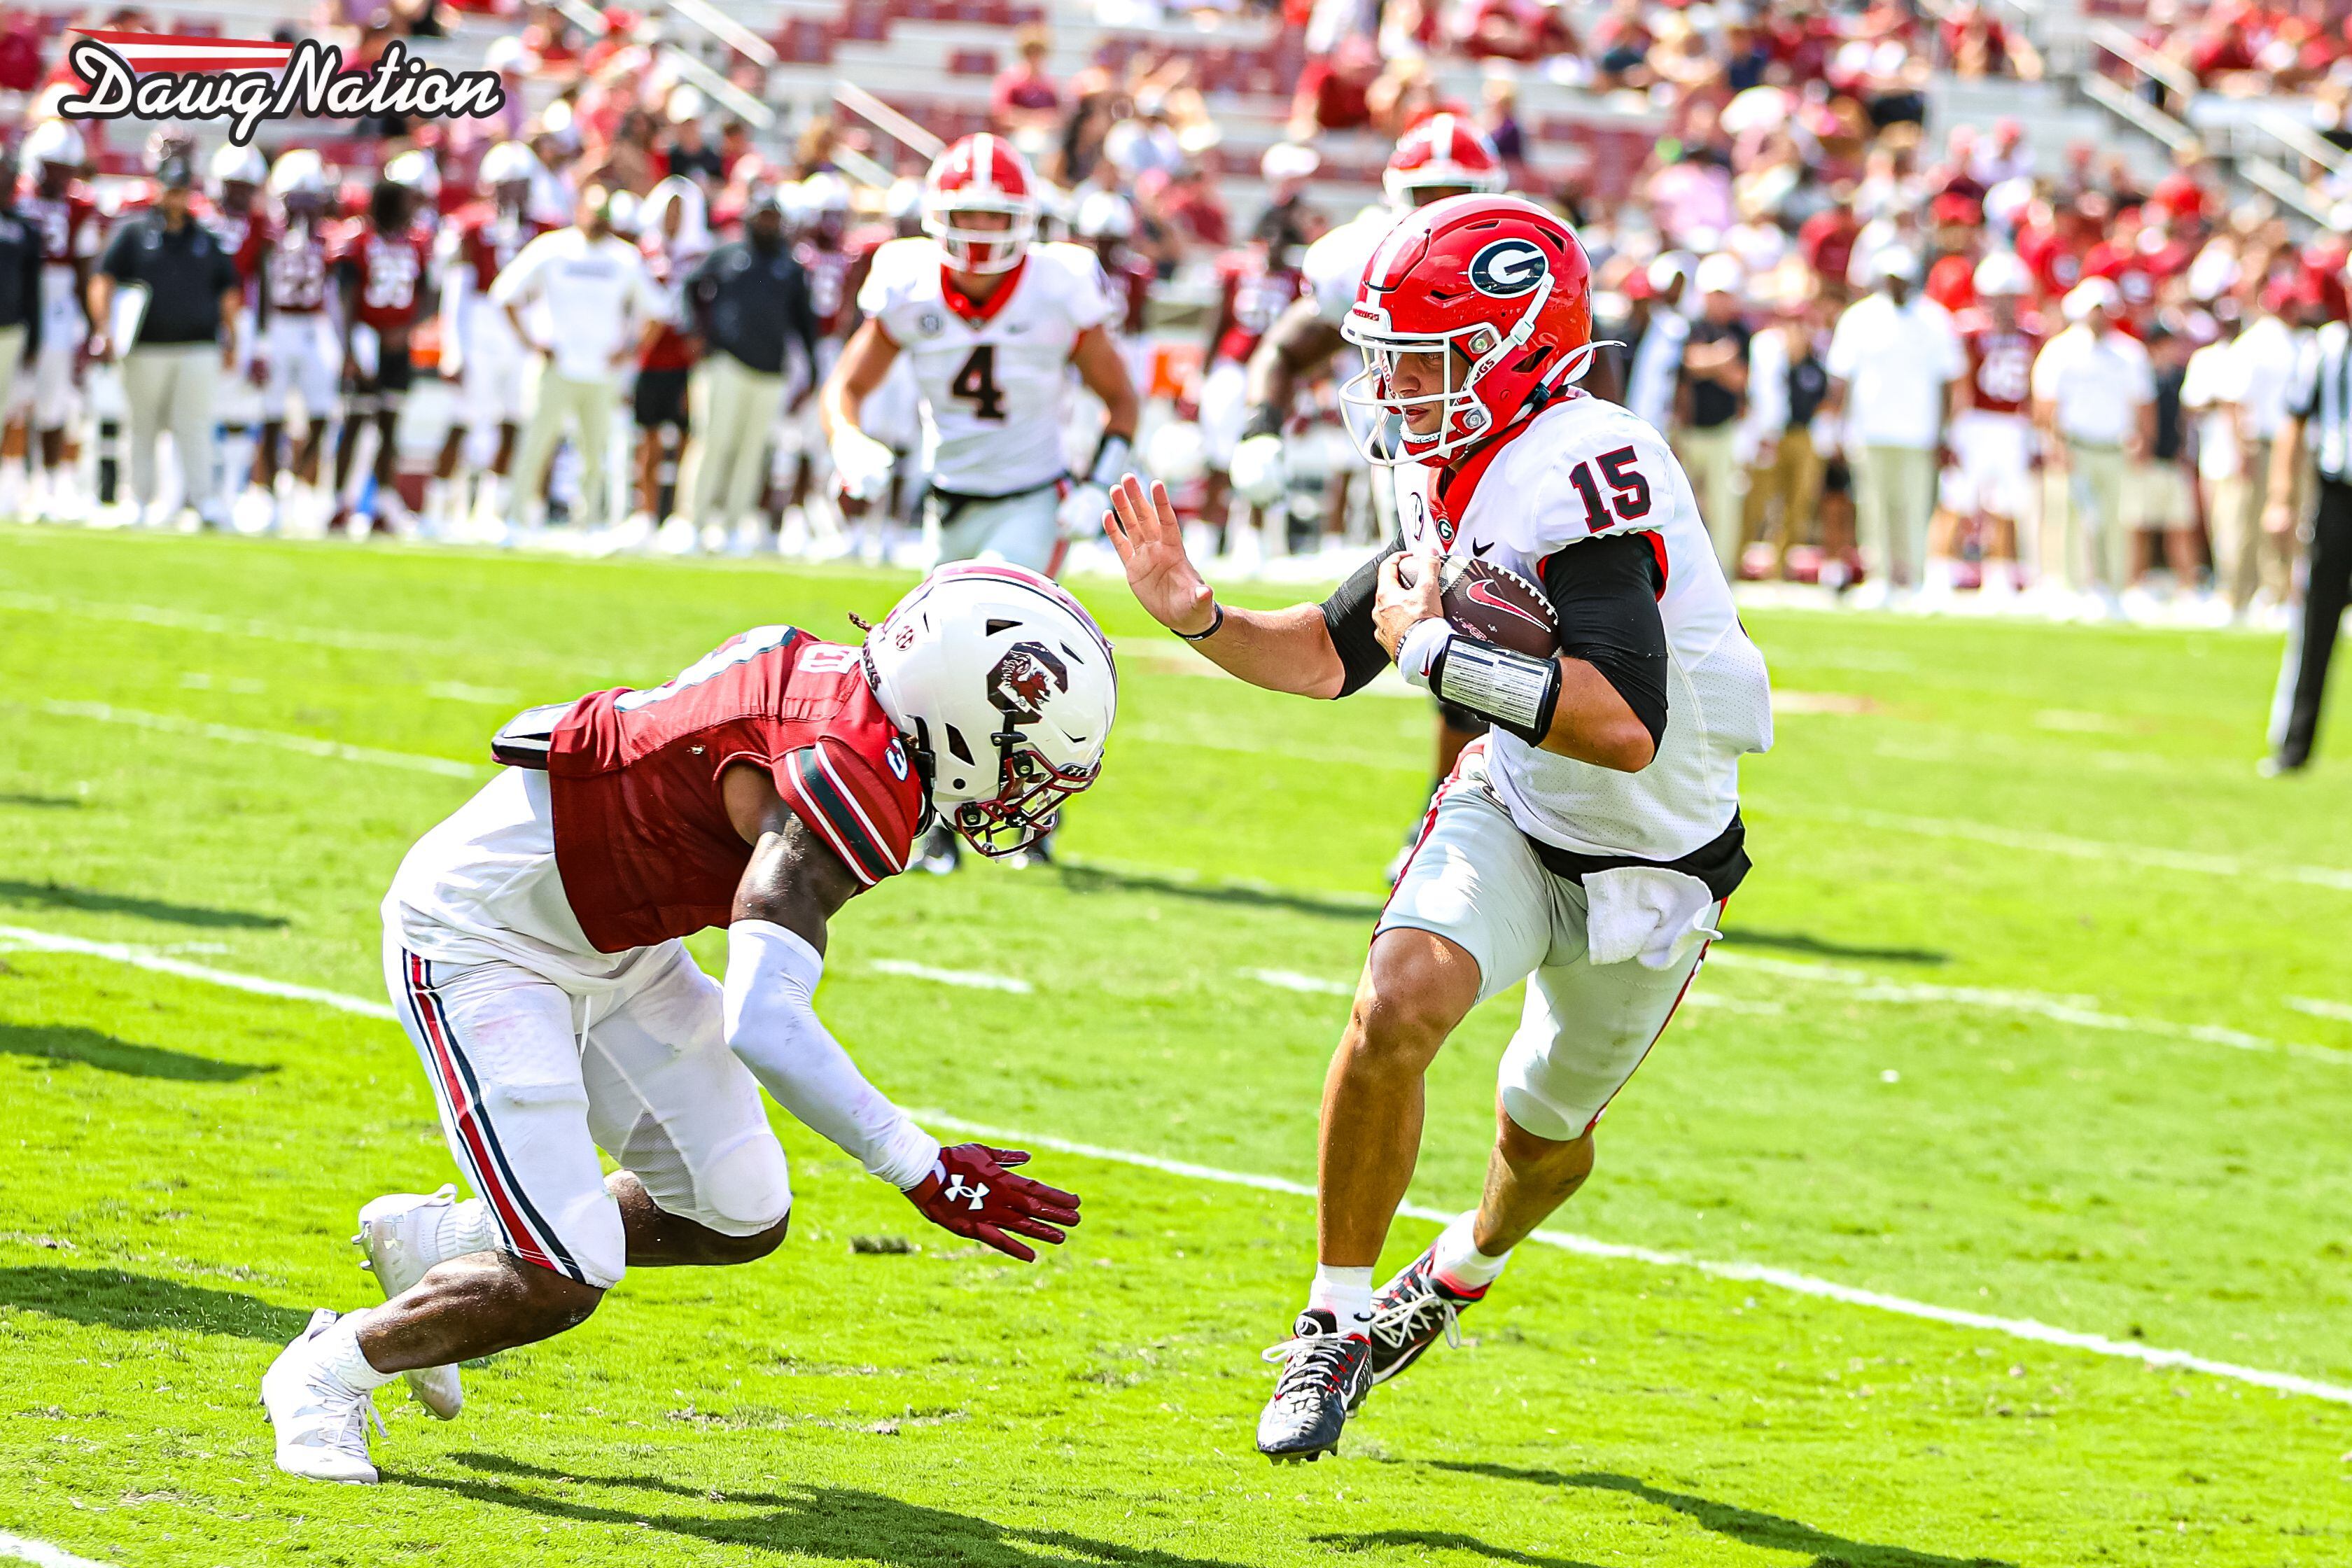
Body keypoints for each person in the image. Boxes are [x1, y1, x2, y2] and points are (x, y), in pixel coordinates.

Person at [1102, 195, 1772, 1463]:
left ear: (1516, 346)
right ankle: (1332, 1321)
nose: (1398, 391)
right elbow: (1331, 653)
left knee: (1544, 1137)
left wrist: (1437, 658)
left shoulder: (1588, 464)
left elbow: (1624, 719)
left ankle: (1456, 1271)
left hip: (1656, 860)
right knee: (1395, 1003)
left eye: (1424, 359)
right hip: (1518, 811)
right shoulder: (1451, 462)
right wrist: (1197, 614)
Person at [262, 564, 1113, 1483]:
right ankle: (324, 1373)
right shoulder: (849, 774)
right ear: (963, 712)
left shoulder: (841, 686)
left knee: (739, 1207)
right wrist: (921, 1166)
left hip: (618, 940)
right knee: (561, 1273)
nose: (1023, 791)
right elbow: (763, 1021)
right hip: (486, 937)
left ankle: (440, 1244)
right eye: (1023, 762)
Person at [823, 134, 1138, 874]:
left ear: (1025, 221)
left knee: (995, 650)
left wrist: (1097, 481)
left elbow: (1121, 397)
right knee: (931, 667)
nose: (982, 234)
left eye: (997, 217)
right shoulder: (907, 282)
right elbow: (847, 387)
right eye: (969, 216)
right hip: (947, 498)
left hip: (1030, 496)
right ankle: (941, 818)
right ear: (937, 218)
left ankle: (1030, 811)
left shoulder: (1058, 285)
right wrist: (848, 443)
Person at [1224, 115, 1508, 881]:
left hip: (1511, 467)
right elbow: (1288, 347)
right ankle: (1455, 814)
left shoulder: (1519, 253)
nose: (1442, 207)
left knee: (1481, 641)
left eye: (1459, 193)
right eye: (1427, 193)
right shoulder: (1362, 258)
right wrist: (1260, 429)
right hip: (1414, 474)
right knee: (1440, 639)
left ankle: (1463, 816)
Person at [492, 186, 667, 539]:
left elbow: (658, 310)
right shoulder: (553, 248)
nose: (598, 221)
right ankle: (516, 518)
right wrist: (531, 342)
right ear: (578, 211)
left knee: (595, 454)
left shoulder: (624, 257)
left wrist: (630, 349)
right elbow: (505, 293)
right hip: (557, 367)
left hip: (601, 372)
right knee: (536, 445)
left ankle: (588, 525)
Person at [87, 153, 241, 529]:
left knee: (195, 426)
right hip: (144, 346)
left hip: (198, 346)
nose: (175, 199)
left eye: (182, 191)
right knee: (141, 425)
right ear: (157, 189)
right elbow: (103, 280)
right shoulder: (134, 233)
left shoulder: (206, 237)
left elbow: (228, 290)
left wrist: (232, 337)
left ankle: (204, 501)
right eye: (170, 190)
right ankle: (137, 499)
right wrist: (103, 327)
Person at [677, 186, 818, 550]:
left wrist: (813, 370)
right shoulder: (727, 253)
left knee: (752, 450)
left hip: (771, 370)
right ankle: (691, 521)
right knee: (713, 441)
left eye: (773, 217)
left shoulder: (790, 266)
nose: (767, 224)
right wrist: (696, 335)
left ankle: (735, 525)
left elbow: (805, 323)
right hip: (726, 361)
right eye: (762, 217)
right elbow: (691, 288)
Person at [1823, 248, 1963, 607]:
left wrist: (1946, 433)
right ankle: (1880, 579)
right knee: (1874, 508)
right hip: (1869, 431)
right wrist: (1834, 427)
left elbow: (1948, 382)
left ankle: (1913, 581)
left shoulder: (1935, 320)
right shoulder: (1858, 318)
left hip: (1919, 434)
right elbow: (1842, 379)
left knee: (1914, 509)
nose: (1898, 286)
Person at [427, 141, 551, 539]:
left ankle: (491, 509)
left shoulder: (545, 229)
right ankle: (437, 508)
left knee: (513, 421)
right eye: (507, 185)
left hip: (523, 332)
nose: (514, 194)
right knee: (463, 422)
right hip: (480, 329)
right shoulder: (471, 227)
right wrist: (454, 348)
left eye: (520, 185)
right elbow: (455, 292)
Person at [2261, 289, 2352, 774]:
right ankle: (2293, 747)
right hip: (2338, 494)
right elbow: (2293, 423)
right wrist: (2280, 497)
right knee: (2316, 623)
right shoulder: (2326, 347)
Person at [2031, 279, 2154, 618]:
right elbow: (2046, 404)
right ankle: (2070, 588)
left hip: (2114, 448)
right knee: (2070, 518)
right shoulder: (2061, 350)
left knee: (2115, 519)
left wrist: (2143, 440)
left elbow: (2143, 403)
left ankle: (2112, 589)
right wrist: (2055, 444)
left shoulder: (2128, 353)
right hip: (2076, 447)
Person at [328, 171, 435, 536]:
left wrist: (407, 330)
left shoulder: (417, 242)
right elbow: (342, 296)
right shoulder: (357, 239)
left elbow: (429, 293)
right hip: (364, 339)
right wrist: (348, 348)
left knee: (391, 424)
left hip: (396, 344)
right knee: (356, 420)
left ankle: (383, 505)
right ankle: (339, 502)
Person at [1938, 251, 2044, 601]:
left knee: (2007, 505)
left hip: (2012, 424)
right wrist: (1953, 430)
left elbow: (2032, 388)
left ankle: (1998, 578)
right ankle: (1939, 573)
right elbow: (1958, 383)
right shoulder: (1969, 331)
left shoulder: (2032, 333)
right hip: (1976, 421)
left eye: (2011, 297)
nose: (2004, 305)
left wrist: (2033, 435)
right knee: (1957, 499)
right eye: (1999, 297)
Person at [14, 120, 98, 521]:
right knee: (12, 396)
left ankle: (49, 483)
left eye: (66, 167)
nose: (59, 176)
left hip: (58, 300)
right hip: (14, 297)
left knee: (53, 399)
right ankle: (11, 481)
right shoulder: (13, 195)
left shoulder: (80, 206)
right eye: (52, 166)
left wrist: (91, 326)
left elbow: (84, 271)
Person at [256, 151, 342, 531]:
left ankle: (300, 483)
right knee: (270, 413)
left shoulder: (332, 238)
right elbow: (257, 287)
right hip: (277, 325)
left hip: (315, 325)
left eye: (311, 197)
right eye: (297, 197)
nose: (304, 206)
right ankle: (269, 493)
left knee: (323, 413)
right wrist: (257, 339)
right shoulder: (267, 235)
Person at [1674, 253, 1751, 575]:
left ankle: (1722, 574)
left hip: (1723, 430)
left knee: (1724, 508)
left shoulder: (1740, 331)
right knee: (1682, 508)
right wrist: (1720, 359)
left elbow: (1740, 379)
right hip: (1688, 430)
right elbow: (1688, 365)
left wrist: (1707, 363)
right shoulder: (1691, 326)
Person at [0, 150, 43, 446]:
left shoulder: (24, 228)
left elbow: (32, 288)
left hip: (9, 330)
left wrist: (35, 338)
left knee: (3, 407)